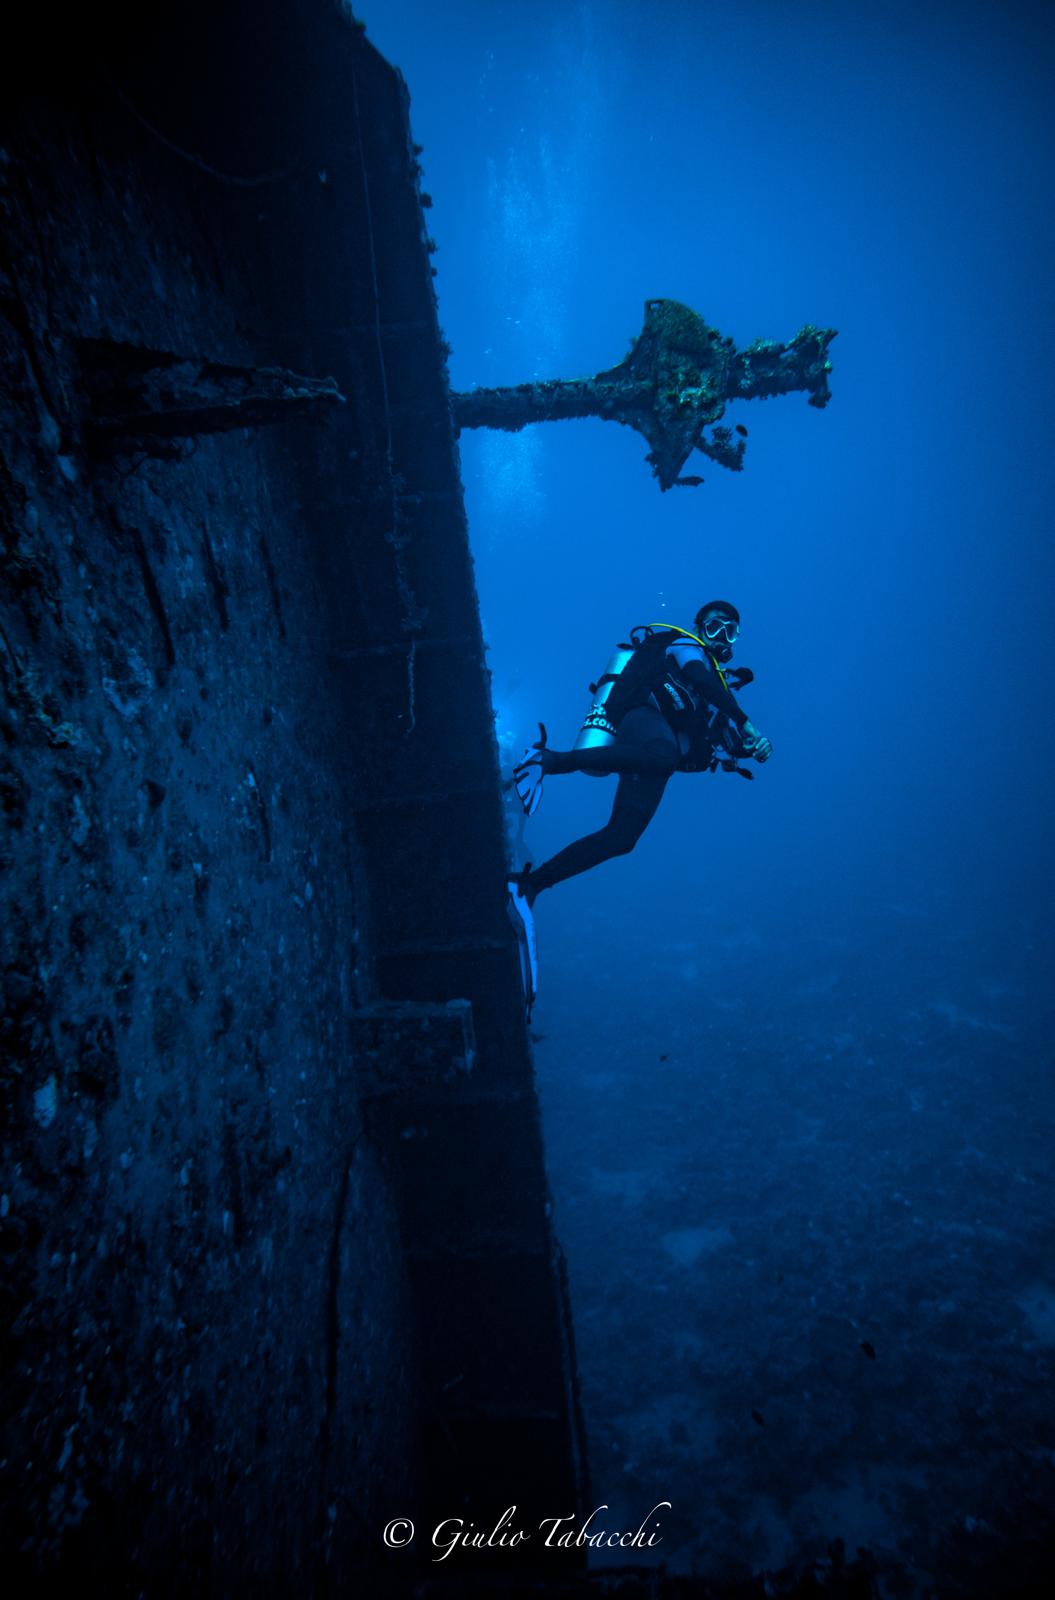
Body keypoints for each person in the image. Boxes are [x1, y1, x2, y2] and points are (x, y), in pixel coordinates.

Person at [505, 602, 771, 997]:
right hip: (640, 717)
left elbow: (713, 740)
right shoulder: (684, 645)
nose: (721, 638)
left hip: (655, 750)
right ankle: (549, 760)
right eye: (715, 627)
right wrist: (744, 718)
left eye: (731, 632)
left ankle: (529, 886)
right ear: (700, 627)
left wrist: (750, 745)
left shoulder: (715, 687)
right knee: (662, 756)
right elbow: (699, 678)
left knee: (622, 837)